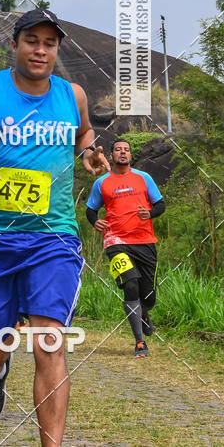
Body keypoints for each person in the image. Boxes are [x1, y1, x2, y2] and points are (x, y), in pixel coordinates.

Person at [0, 8, 109, 445]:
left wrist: (89, 152)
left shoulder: (73, 95)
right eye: (32, 41)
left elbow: (85, 133)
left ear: (57, 50)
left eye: (49, 43)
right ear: (14, 44)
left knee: (50, 343)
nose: (40, 50)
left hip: (54, 238)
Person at [86, 139, 166, 358]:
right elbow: (91, 209)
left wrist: (150, 213)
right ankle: (139, 342)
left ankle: (144, 312)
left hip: (145, 241)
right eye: (118, 150)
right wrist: (95, 222)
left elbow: (160, 205)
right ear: (111, 155)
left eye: (126, 150)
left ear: (130, 155)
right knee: (130, 286)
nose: (123, 152)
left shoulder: (144, 178)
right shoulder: (102, 183)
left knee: (148, 296)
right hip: (116, 242)